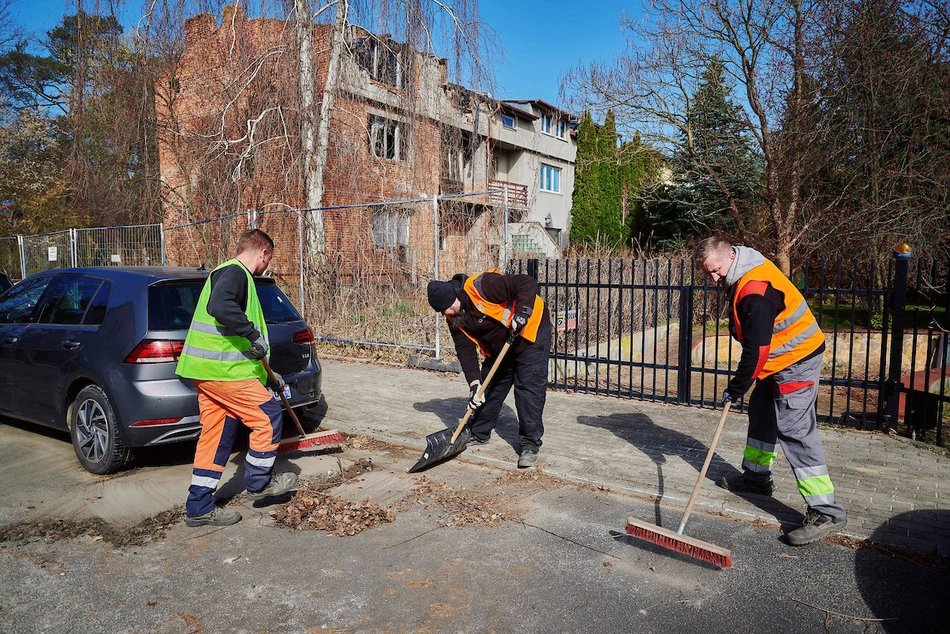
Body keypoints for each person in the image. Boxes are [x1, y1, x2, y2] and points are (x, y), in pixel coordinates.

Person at [696, 236, 847, 545]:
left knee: (795, 428)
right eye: (707, 273)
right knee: (762, 410)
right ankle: (756, 477)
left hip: (797, 359)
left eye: (715, 271)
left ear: (729, 258)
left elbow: (755, 351)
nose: (713, 279)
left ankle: (826, 511)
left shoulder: (754, 289)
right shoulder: (743, 269)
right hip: (779, 357)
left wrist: (736, 388)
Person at [176, 228, 297, 527]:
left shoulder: (227, 273)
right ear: (263, 253)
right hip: (223, 373)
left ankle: (199, 505)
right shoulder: (236, 273)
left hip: (208, 373)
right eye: (268, 259)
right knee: (268, 416)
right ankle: (259, 482)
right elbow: (220, 307)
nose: (266, 266)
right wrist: (252, 332)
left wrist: (268, 375)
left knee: (215, 437)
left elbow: (234, 344)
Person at [426, 269, 551, 468]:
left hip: (530, 333)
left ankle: (529, 444)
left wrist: (522, 313)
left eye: (446, 308)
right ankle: (479, 432)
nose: (445, 314)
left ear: (453, 298)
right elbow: (464, 349)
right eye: (441, 312)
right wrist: (474, 384)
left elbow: (527, 283)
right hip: (501, 344)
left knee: (528, 389)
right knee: (487, 388)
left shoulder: (483, 286)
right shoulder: (454, 318)